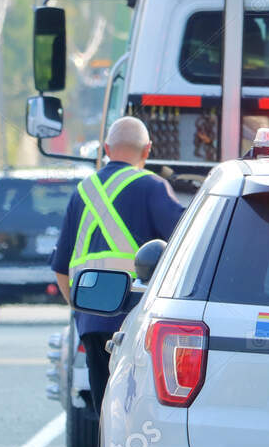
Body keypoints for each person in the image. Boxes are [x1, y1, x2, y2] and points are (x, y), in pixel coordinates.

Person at [49, 116, 185, 414]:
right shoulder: (153, 187)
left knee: (104, 412)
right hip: (135, 318)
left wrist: (79, 309)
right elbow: (188, 243)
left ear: (107, 149)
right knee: (134, 409)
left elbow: (60, 266)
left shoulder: (83, 192)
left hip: (92, 320)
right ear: (147, 151)